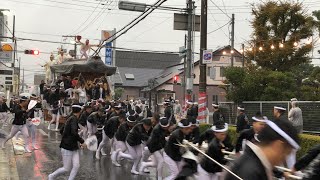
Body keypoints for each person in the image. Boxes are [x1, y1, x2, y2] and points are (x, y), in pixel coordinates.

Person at [223, 119, 300, 180]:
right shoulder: (250, 172)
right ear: (278, 146)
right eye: (287, 153)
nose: (284, 159)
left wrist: (282, 174)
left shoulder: (257, 163)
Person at [48, 104, 87, 180]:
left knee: (76, 165)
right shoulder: (73, 119)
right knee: (66, 168)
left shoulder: (70, 118)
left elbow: (61, 130)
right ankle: (52, 176)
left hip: (73, 147)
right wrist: (82, 141)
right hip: (67, 147)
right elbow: (73, 132)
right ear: (80, 111)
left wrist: (68, 136)